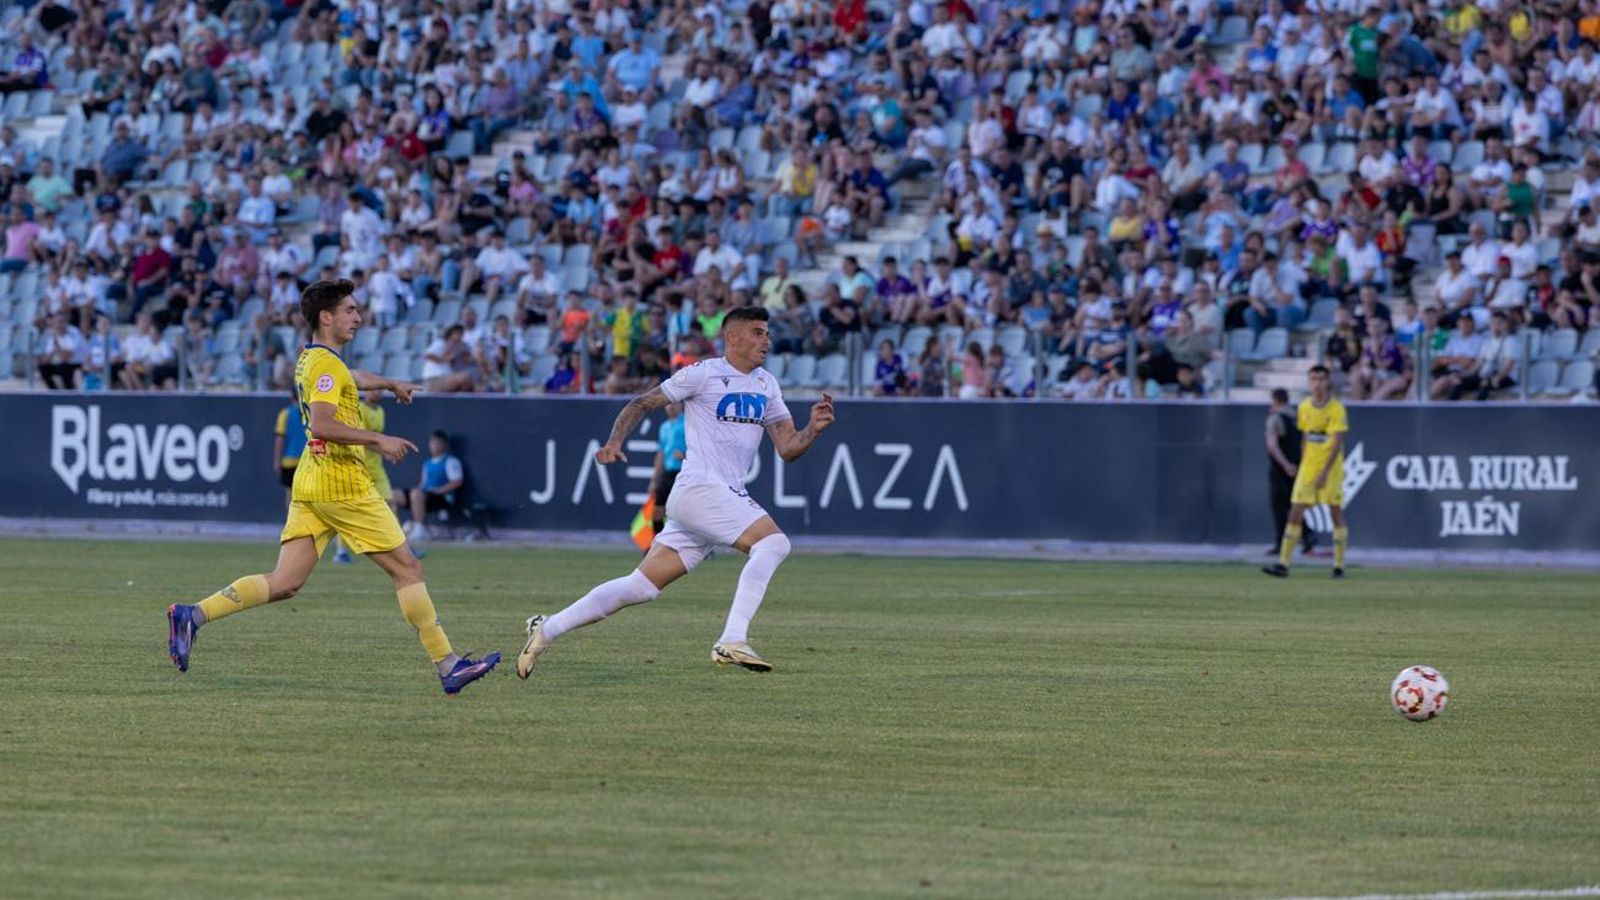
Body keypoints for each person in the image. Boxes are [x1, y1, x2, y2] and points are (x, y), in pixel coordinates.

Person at [165, 279, 499, 695]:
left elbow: (349, 377)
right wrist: (379, 439)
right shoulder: (326, 365)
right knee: (408, 569)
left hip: (312, 480)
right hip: (342, 484)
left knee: (285, 581)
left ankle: (192, 616)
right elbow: (323, 424)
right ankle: (448, 665)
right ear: (327, 316)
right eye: (350, 311)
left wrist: (390, 382)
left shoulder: (315, 358)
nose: (358, 318)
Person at [517, 307, 836, 678]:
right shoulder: (703, 374)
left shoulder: (766, 384)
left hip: (714, 496)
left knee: (641, 587)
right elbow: (642, 403)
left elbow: (787, 448)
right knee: (774, 544)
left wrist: (813, 430)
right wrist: (614, 441)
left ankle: (547, 628)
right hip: (699, 487)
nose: (766, 339)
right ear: (732, 338)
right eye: (757, 332)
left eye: (766, 332)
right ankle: (732, 639)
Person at [1263, 365, 1349, 579]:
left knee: (1335, 513)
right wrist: (1304, 465)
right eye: (1313, 379)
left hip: (1330, 469)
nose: (1317, 383)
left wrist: (1324, 472)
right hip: (1308, 468)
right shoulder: (1303, 408)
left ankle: (1339, 566)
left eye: (1321, 378)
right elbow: (1305, 439)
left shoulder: (1336, 409)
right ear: (1309, 382)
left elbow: (1337, 443)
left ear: (1327, 381)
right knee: (1295, 512)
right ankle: (1283, 564)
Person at [1264, 388, 1316, 558]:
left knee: (1280, 505)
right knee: (1293, 504)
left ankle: (1282, 543)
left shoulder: (1275, 419)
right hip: (1299, 465)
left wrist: (1285, 464)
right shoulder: (1296, 417)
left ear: (1276, 400)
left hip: (1282, 468)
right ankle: (1307, 535)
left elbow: (1272, 446)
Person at [407, 431, 466, 547]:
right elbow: (423, 483)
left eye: (438, 443)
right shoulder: (427, 463)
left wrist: (438, 490)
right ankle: (395, 530)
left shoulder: (450, 461)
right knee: (395, 495)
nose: (434, 446)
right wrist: (416, 491)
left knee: (416, 494)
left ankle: (419, 529)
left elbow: (457, 482)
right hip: (425, 496)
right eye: (432, 443)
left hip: (443, 498)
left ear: (444, 445)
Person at [648, 402, 687, 535]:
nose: (670, 407)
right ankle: (657, 543)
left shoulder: (688, 424)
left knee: (686, 513)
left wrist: (685, 456)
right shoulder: (664, 427)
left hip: (684, 473)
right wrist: (654, 480)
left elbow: (701, 449)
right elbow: (661, 454)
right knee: (657, 511)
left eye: (673, 404)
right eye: (667, 404)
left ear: (680, 405)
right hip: (668, 473)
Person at [272, 390, 307, 509]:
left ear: (292, 397)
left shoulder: (285, 414)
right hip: (307, 461)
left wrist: (277, 460)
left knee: (290, 494)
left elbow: (280, 440)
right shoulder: (310, 414)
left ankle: (290, 522)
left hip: (289, 461)